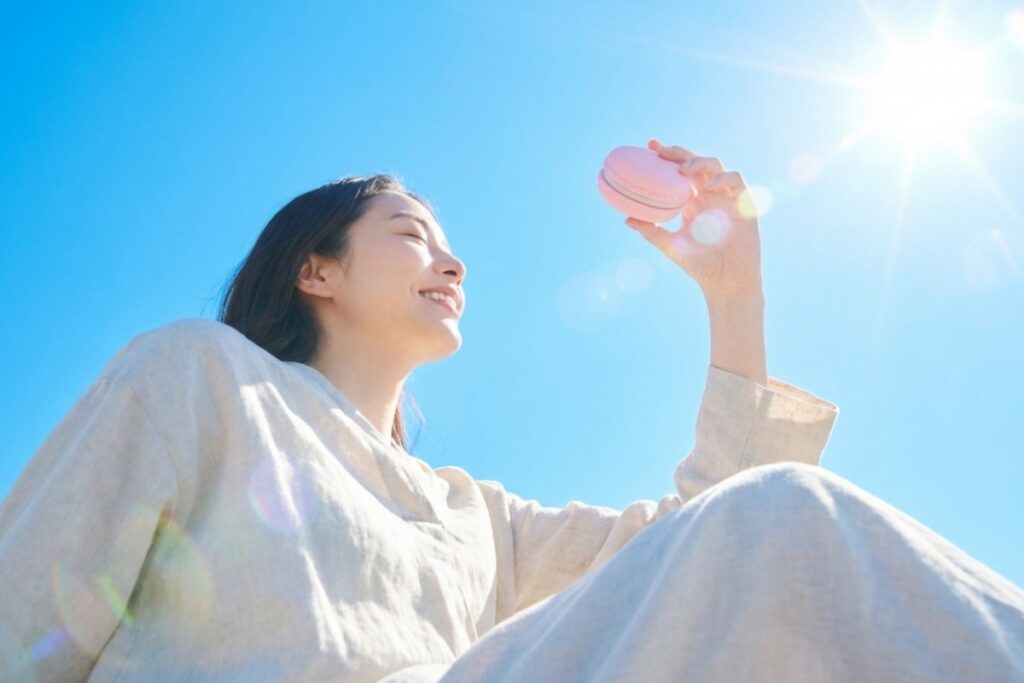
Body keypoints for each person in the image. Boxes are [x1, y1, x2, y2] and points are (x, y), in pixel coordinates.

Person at [1, 139, 1021, 682]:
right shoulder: (199, 374)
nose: (450, 259)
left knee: (788, 525)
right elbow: (22, 613)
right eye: (408, 232)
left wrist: (733, 296)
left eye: (446, 241)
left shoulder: (471, 518)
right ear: (314, 267)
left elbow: (717, 540)